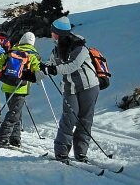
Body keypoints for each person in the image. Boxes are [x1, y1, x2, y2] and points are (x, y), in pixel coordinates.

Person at [40, 16, 100, 163]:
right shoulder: (56, 51)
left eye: (53, 32)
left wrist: (53, 69)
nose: (51, 34)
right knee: (69, 118)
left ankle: (81, 153)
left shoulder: (80, 47)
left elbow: (72, 65)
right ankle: (61, 152)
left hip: (88, 86)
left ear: (59, 33)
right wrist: (32, 74)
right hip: (69, 88)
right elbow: (48, 66)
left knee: (85, 119)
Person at [0, 32, 41, 147]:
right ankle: (3, 138)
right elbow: (38, 71)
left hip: (7, 85)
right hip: (20, 88)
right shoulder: (32, 55)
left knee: (15, 112)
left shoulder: (12, 52)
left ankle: (15, 138)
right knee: (14, 114)